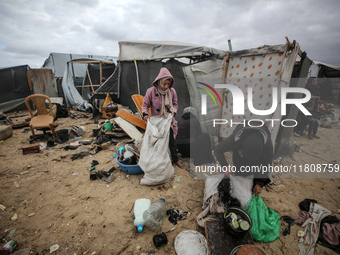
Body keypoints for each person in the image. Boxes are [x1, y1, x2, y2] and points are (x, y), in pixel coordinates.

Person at [214, 121, 273, 196]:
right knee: (240, 173)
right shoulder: (234, 139)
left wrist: (259, 183)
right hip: (241, 144)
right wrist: (225, 166)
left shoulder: (268, 147)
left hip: (258, 152)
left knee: (256, 173)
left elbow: (266, 165)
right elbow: (218, 150)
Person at [142, 67, 185, 168]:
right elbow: (145, 105)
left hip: (167, 120)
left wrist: (173, 111)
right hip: (156, 121)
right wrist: (145, 114)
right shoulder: (151, 91)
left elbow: (175, 104)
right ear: (159, 81)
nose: (166, 86)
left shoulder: (172, 91)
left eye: (168, 84)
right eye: (164, 84)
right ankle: (155, 161)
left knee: (171, 141)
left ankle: (175, 159)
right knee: (156, 141)